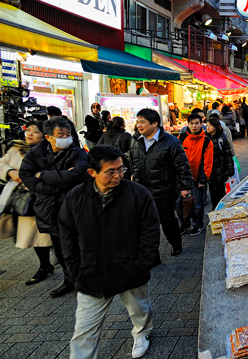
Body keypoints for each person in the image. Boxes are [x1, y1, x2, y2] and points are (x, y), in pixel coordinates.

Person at [59, 145, 160, 359]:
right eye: (111, 171)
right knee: (84, 331)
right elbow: (67, 237)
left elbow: (150, 233)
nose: (118, 175)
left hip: (130, 269)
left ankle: (142, 333)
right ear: (92, 172)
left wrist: (140, 264)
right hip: (91, 273)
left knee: (139, 309)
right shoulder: (75, 198)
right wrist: (75, 270)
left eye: (121, 169)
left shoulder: (137, 194)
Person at [19, 117, 88, 297]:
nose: (66, 138)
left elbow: (77, 176)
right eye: (61, 135)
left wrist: (42, 174)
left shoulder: (78, 153)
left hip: (73, 207)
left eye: (68, 134)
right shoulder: (36, 153)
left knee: (78, 244)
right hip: (48, 208)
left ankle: (85, 278)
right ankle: (69, 280)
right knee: (59, 247)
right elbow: (26, 175)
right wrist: (59, 180)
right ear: (49, 137)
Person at [130, 109, 193, 257]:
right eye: (138, 121)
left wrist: (185, 187)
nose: (139, 125)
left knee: (167, 221)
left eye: (142, 122)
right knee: (147, 224)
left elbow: (182, 166)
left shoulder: (171, 142)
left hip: (165, 191)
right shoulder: (135, 140)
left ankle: (176, 244)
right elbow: (133, 163)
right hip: (143, 191)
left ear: (155, 123)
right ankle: (153, 255)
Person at [0, 121, 54, 285]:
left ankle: (57, 266)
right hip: (24, 200)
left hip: (45, 197)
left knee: (50, 235)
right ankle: (45, 266)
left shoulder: (49, 150)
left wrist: (31, 176)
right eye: (28, 130)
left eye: (35, 131)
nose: (29, 133)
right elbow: (2, 163)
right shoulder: (16, 148)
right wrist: (10, 171)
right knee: (36, 236)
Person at [179, 113, 213, 236]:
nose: (194, 126)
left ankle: (197, 224)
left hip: (198, 177)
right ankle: (184, 223)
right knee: (180, 203)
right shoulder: (182, 138)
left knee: (198, 204)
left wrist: (203, 179)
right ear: (187, 124)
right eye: (191, 123)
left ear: (201, 124)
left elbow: (207, 163)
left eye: (197, 123)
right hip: (182, 178)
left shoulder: (206, 141)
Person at [205, 118, 235, 210]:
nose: (208, 128)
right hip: (210, 170)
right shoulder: (205, 137)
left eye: (210, 126)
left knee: (220, 192)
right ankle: (215, 211)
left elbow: (227, 155)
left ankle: (223, 210)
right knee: (212, 192)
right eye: (207, 126)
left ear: (215, 126)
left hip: (220, 170)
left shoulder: (221, 138)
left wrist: (230, 170)